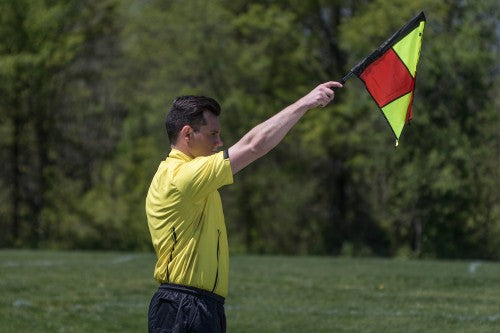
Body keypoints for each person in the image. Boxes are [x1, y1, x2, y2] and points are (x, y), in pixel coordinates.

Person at [145, 81, 342, 332]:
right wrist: (305, 103)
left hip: (196, 305)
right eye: (213, 134)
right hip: (184, 306)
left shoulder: (184, 176)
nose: (219, 142)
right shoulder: (182, 176)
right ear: (187, 134)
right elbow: (254, 145)